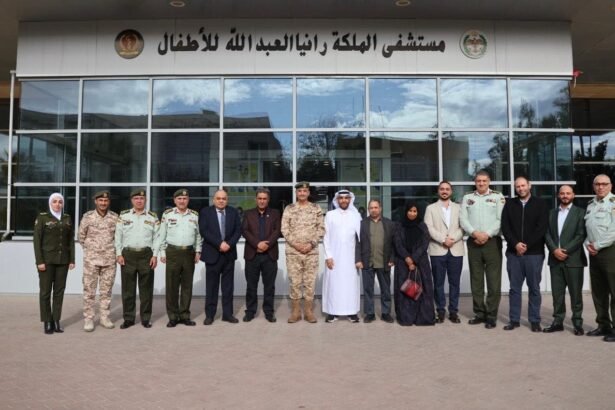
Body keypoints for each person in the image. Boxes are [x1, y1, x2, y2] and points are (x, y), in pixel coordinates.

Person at [501, 176, 549, 332]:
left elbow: (541, 228)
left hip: (534, 253)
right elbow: (505, 227)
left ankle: (534, 320)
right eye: (518, 186)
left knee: (534, 288)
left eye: (523, 185)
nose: (520, 189)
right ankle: (514, 319)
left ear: (529, 185)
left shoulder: (540, 204)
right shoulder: (509, 204)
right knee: (514, 288)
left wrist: (526, 245)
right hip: (513, 253)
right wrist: (516, 244)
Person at [460, 170, 505, 329]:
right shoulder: (467, 198)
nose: (481, 183)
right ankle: (479, 313)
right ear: (475, 182)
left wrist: (487, 234)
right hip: (473, 242)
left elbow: (501, 219)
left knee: (493, 281)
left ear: (489, 181)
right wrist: (474, 233)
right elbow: (463, 219)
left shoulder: (497, 197)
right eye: (478, 181)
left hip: (492, 242)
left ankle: (491, 315)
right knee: (476, 280)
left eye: (484, 181)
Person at [544, 185, 586, 335]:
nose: (565, 196)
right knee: (557, 294)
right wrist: (554, 250)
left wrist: (565, 250)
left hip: (574, 260)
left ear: (573, 195)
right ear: (558, 195)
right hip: (555, 259)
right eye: (562, 193)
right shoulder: (551, 213)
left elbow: (581, 235)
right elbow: (547, 234)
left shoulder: (580, 213)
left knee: (576, 294)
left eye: (568, 193)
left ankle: (577, 323)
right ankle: (558, 321)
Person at [115, 189, 160, 329]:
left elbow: (157, 238)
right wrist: (119, 254)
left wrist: (155, 255)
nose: (139, 201)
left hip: (146, 255)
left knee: (146, 290)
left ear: (145, 200)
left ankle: (146, 318)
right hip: (128, 255)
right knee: (128, 290)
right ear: (132, 200)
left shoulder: (152, 217)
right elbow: (118, 236)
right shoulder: (124, 216)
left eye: (141, 198)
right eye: (136, 198)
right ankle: (128, 318)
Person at [281, 181, 325, 323]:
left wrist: (311, 244)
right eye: (299, 191)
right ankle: (295, 312)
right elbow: (284, 229)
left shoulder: (316, 208)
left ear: (308, 193)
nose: (302, 193)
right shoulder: (289, 208)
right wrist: (296, 244)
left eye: (304, 191)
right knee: (295, 282)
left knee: (309, 283)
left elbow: (321, 228)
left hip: (311, 252)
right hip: (293, 252)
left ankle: (308, 311)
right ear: (296, 193)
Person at [159, 189, 202, 328]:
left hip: (189, 252)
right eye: (179, 199)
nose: (182, 201)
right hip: (173, 252)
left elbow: (197, 235)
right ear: (174, 200)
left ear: (188, 200)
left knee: (187, 286)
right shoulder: (167, 214)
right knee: (172, 286)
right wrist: (162, 253)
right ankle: (173, 316)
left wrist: (198, 251)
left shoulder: (194, 215)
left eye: (184, 198)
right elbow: (162, 235)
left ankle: (184, 315)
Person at [33, 193, 75, 334]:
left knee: (59, 292)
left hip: (63, 261)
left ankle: (56, 320)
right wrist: (39, 261)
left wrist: (72, 259)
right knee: (45, 292)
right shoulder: (42, 218)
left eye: (60, 202)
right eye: (55, 201)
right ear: (50, 203)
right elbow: (37, 241)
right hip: (47, 261)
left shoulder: (67, 218)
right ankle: (47, 321)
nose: (57, 204)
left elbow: (70, 240)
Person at [424, 181, 465, 324]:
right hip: (438, 249)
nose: (444, 191)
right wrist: (443, 240)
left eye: (447, 189)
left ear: (451, 191)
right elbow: (428, 227)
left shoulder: (459, 208)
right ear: (438, 191)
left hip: (456, 249)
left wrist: (452, 239)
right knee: (438, 283)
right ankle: (440, 310)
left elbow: (463, 227)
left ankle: (453, 312)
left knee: (455, 283)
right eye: (442, 189)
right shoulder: (430, 208)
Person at [199, 189, 242, 325]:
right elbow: (204, 230)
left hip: (229, 254)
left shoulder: (233, 212)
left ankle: (227, 314)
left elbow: (238, 230)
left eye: (224, 198)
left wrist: (229, 244)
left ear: (227, 200)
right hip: (212, 254)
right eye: (218, 198)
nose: (221, 201)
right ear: (214, 199)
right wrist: (219, 243)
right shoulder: (206, 212)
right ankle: (210, 315)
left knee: (228, 287)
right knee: (211, 287)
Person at [78, 191, 119, 332]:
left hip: (109, 260)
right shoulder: (88, 217)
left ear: (109, 202)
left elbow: (118, 237)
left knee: (106, 291)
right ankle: (89, 319)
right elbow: (81, 236)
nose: (103, 203)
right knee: (89, 291)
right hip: (91, 261)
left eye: (106, 201)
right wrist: (91, 250)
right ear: (95, 201)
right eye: (100, 200)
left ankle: (104, 317)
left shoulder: (114, 217)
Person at [241, 188, 281, 323]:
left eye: (264, 199)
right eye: (260, 198)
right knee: (251, 286)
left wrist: (266, 245)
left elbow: (277, 231)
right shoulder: (248, 214)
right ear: (256, 199)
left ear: (268, 200)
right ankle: (250, 312)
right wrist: (257, 244)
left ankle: (269, 312)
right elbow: (244, 230)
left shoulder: (275, 213)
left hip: (270, 255)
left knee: (269, 286)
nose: (262, 201)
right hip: (252, 254)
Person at [322, 190, 362, 323]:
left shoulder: (356, 215)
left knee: (351, 285)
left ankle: (352, 312)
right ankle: (332, 312)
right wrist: (328, 256)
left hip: (351, 258)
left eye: (346, 198)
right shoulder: (330, 215)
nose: (344, 200)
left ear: (350, 200)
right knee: (334, 285)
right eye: (341, 198)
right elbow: (326, 237)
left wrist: (359, 258)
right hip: (334, 257)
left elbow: (360, 238)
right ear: (337, 200)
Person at [584, 174, 615, 342]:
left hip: (610, 252)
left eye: (604, 184)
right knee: (598, 292)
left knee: (613, 290)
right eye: (597, 184)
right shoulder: (591, 204)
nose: (600, 187)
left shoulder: (613, 203)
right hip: (594, 253)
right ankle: (603, 325)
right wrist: (588, 245)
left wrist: (596, 245)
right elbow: (587, 228)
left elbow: (613, 231)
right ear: (593, 186)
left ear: (610, 186)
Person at [393, 203, 435, 326]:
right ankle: (406, 317)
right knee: (406, 290)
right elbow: (397, 243)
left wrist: (414, 259)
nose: (412, 213)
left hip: (421, 263)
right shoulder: (399, 225)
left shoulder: (422, 226)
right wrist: (407, 258)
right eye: (410, 211)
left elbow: (425, 243)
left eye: (415, 211)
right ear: (406, 211)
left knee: (422, 290)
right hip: (403, 263)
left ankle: (423, 318)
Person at [355, 199, 395, 323]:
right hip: (367, 261)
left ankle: (386, 313)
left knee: (386, 290)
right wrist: (358, 259)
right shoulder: (362, 224)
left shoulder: (389, 223)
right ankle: (370, 313)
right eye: (371, 208)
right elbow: (358, 243)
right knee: (368, 289)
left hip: (384, 261)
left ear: (380, 208)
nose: (373, 210)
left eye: (376, 207)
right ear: (368, 209)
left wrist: (392, 258)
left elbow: (394, 243)